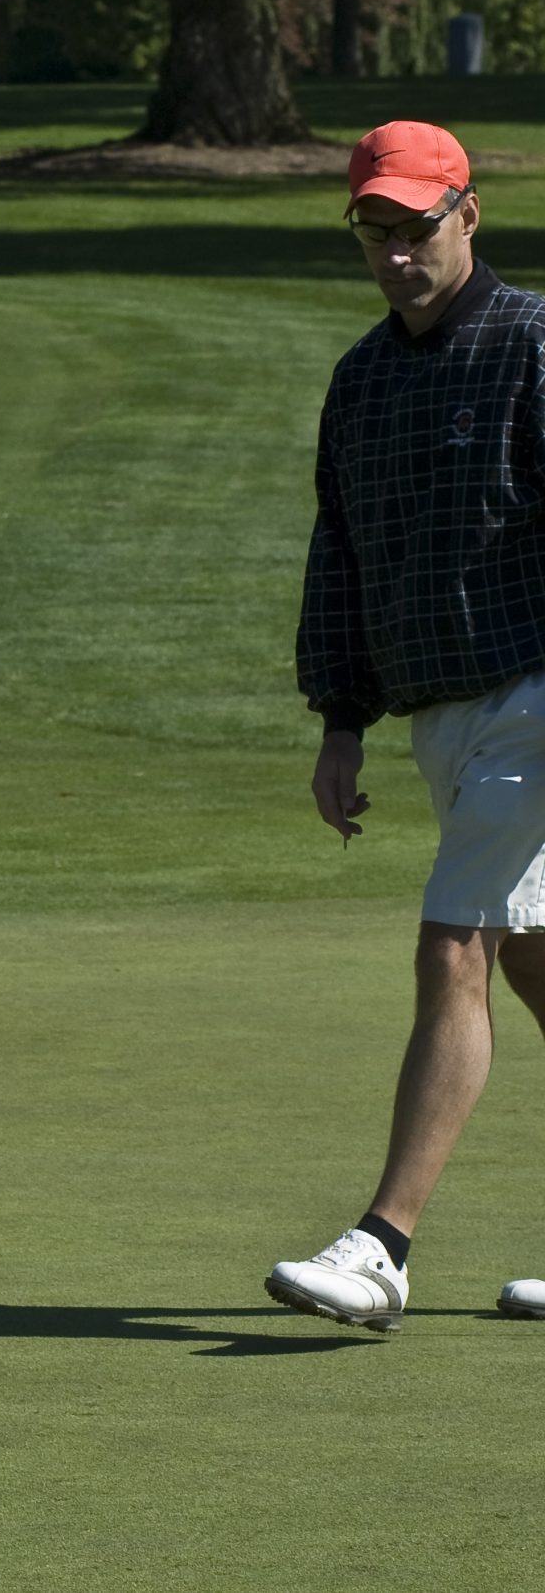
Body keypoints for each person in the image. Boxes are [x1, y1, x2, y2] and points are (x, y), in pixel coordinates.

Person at [271, 119, 545, 1330]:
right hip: (445, 712)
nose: (393, 253)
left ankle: (381, 1244)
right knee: (532, 958)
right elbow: (340, 554)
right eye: (371, 231)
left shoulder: (534, 343)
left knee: (454, 948)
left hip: (535, 698)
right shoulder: (362, 380)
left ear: (467, 215)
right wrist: (340, 719)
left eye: (414, 228)